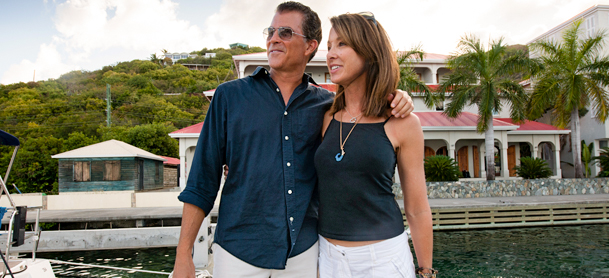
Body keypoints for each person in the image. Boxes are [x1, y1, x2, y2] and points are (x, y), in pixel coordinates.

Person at [172, 2, 414, 278]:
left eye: (285, 32)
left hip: (303, 254)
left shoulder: (327, 107)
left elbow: (365, 108)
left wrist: (397, 96)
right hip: (238, 251)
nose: (273, 38)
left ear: (311, 45)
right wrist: (183, 255)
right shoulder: (230, 97)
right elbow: (202, 181)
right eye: (271, 31)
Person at [314, 12, 435, 278]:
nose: (331, 53)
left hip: (383, 259)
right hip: (329, 257)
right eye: (330, 46)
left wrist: (426, 271)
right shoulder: (325, 116)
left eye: (342, 44)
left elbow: (417, 208)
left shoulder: (402, 122)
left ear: (369, 51)